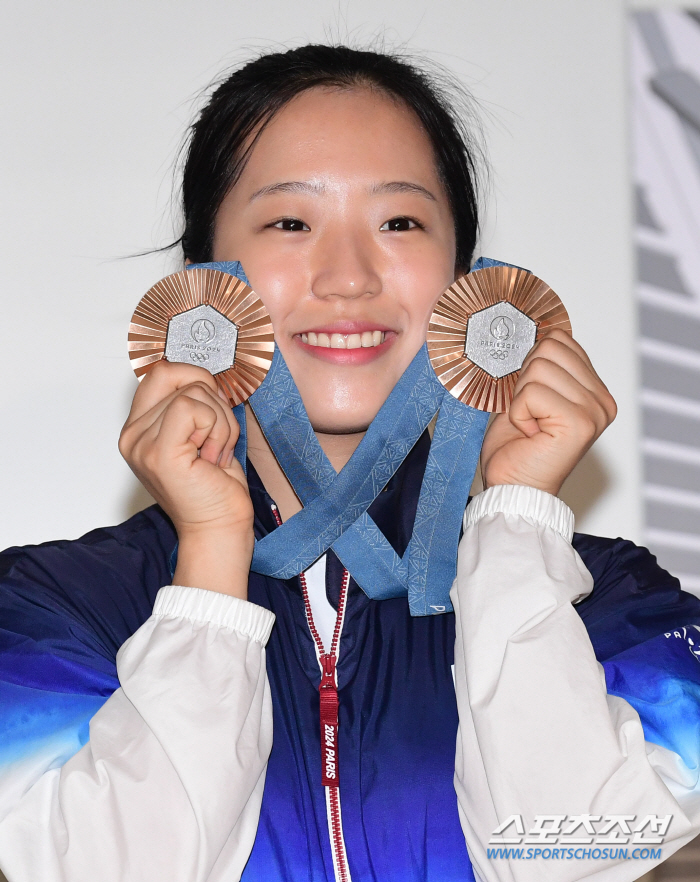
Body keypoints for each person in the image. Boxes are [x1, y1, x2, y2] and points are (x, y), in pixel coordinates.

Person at [1, 43, 700, 882]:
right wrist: (213, 560)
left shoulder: (612, 605)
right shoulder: (49, 612)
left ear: (470, 284)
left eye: (399, 223)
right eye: (289, 223)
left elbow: (574, 857)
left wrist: (515, 529)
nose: (348, 278)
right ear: (202, 287)